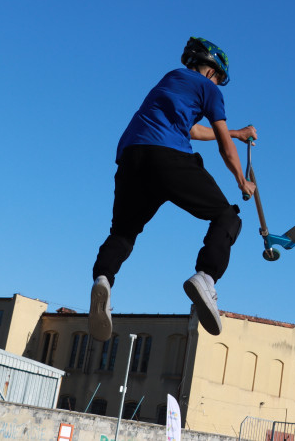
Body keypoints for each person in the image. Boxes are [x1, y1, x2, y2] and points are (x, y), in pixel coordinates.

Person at [89, 37, 257, 340]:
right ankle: (206, 277)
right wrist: (241, 181)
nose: (217, 83)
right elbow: (223, 145)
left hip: (131, 158)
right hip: (168, 157)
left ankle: (103, 280)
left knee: (123, 232)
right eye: (218, 77)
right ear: (211, 71)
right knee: (226, 216)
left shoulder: (171, 79)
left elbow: (192, 129)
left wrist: (237, 133)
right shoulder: (209, 89)